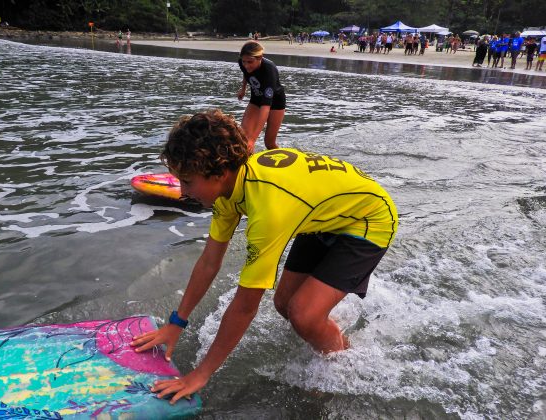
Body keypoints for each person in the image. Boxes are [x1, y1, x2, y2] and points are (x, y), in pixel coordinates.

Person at [130, 109, 399, 404]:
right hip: (324, 215)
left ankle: (340, 366)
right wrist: (175, 323)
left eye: (188, 181)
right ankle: (324, 322)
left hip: (368, 219)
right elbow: (209, 262)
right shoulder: (228, 190)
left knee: (303, 314)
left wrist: (201, 374)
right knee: (284, 304)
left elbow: (246, 306)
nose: (182, 191)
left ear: (219, 174)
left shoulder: (267, 208)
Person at [235, 41, 286, 151]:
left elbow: (265, 108)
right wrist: (243, 89)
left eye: (250, 62)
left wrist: (253, 139)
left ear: (260, 58)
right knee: (243, 139)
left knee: (269, 143)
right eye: (244, 61)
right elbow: (246, 72)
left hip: (275, 102)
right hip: (256, 98)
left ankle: (283, 159)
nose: (246, 65)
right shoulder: (242, 62)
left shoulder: (269, 70)